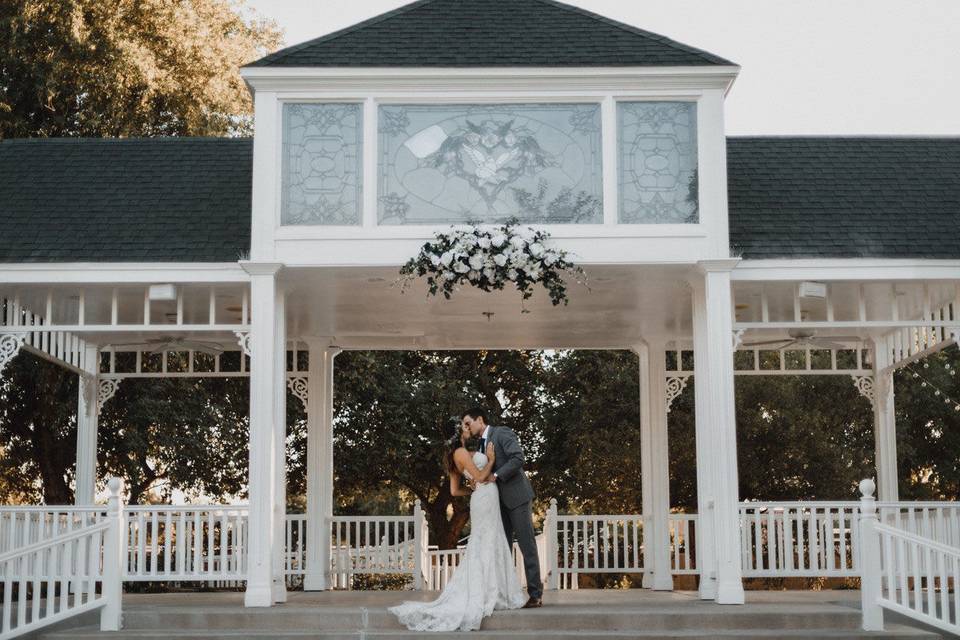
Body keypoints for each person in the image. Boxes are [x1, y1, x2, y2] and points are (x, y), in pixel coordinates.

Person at [389, 420, 526, 632]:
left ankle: (494, 589)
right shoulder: (461, 452)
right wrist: (490, 461)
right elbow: (481, 477)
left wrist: (472, 491)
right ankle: (492, 592)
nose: (468, 428)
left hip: (481, 497)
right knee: (488, 540)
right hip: (486, 495)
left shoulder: (456, 456)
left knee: (487, 541)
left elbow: (454, 491)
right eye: (465, 427)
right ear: (458, 434)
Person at [461, 406, 543, 608]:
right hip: (496, 503)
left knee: (526, 545)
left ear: (480, 419)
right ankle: (506, 593)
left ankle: (535, 594)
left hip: (516, 497)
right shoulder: (479, 445)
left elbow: (518, 458)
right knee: (502, 548)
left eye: (468, 423)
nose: (467, 427)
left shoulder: (501, 433)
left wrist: (495, 476)